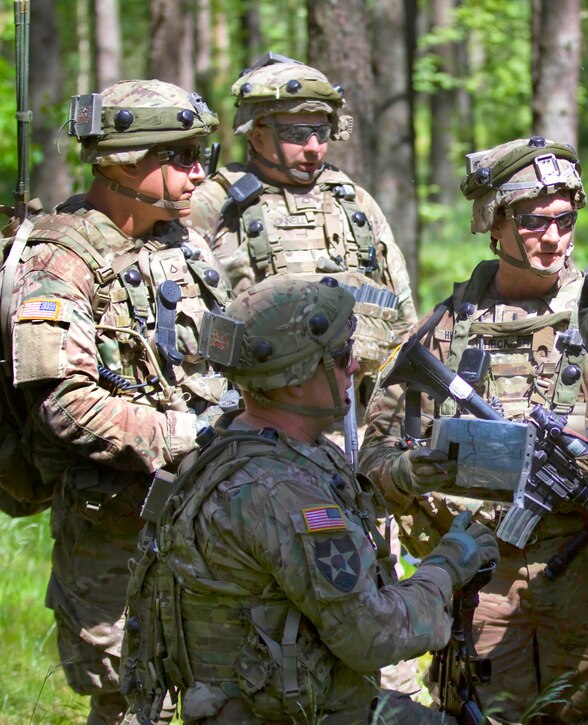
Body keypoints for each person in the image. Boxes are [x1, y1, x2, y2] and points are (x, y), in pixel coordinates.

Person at [359, 136, 588, 723]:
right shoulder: (443, 331)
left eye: (566, 219)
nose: (554, 237)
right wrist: (410, 470)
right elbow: (372, 461)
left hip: (586, 577)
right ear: (495, 222)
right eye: (535, 221)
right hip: (480, 581)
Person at [123, 275, 498, 724]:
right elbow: (373, 636)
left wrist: (400, 476)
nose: (355, 368)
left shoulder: (234, 445)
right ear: (296, 382)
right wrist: (448, 565)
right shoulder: (281, 493)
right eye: (340, 357)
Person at [6, 80, 231, 724]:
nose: (198, 173)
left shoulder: (180, 241)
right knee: (134, 702)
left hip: (203, 515)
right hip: (117, 531)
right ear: (125, 161)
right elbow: (66, 403)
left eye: (201, 155)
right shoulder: (62, 260)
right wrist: (188, 435)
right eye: (183, 156)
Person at [185, 51, 416, 405]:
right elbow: (188, 330)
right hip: (253, 416)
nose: (314, 148)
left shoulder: (353, 202)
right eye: (296, 133)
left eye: (321, 132)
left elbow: (402, 320)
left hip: (351, 412)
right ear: (256, 133)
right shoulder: (214, 204)